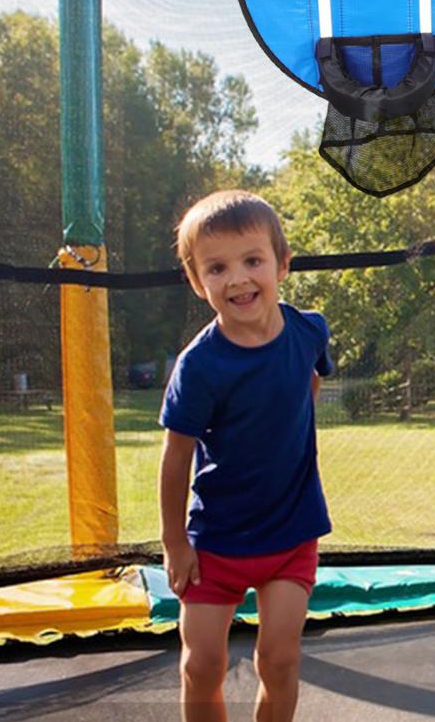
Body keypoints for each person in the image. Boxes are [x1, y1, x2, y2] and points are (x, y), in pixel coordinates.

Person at [159, 189, 333, 721]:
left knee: (279, 662)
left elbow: (308, 382)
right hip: (216, 542)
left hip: (291, 532)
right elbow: (175, 456)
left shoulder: (308, 330)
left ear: (281, 264)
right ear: (197, 281)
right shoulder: (200, 365)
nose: (236, 279)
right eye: (216, 267)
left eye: (252, 261)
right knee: (201, 666)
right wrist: (174, 544)